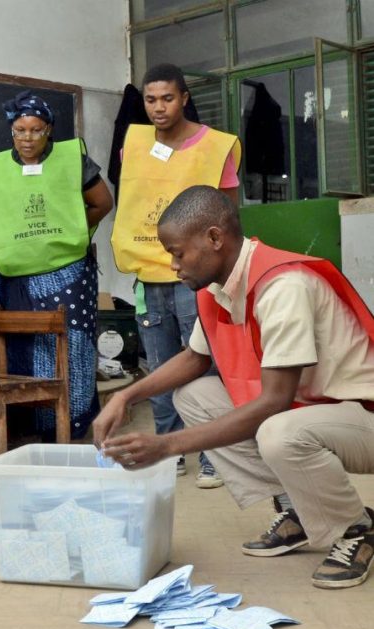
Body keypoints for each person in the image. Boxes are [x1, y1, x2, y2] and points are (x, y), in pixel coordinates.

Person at [95, 185, 374, 590]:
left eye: (177, 252)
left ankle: (355, 529)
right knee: (195, 397)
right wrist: (125, 395)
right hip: (313, 411)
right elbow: (194, 358)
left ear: (214, 238)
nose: (173, 265)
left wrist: (168, 446)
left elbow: (274, 401)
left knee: (279, 432)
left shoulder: (283, 286)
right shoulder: (218, 285)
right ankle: (301, 507)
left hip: (360, 418)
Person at [110, 63, 241, 487]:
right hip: (147, 273)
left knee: (201, 365)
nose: (159, 108)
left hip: (196, 278)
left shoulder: (216, 146)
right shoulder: (133, 143)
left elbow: (229, 213)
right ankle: (168, 453)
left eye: (168, 98)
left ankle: (208, 456)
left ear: (185, 98)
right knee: (159, 365)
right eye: (151, 100)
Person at [0, 90, 114, 440]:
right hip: (15, 280)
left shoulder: (73, 160)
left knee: (73, 351)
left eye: (35, 130)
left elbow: (102, 203)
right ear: (11, 131)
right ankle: (29, 431)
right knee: (22, 353)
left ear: (49, 130)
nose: (27, 138)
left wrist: (75, 232)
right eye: (20, 130)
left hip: (68, 274)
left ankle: (72, 430)